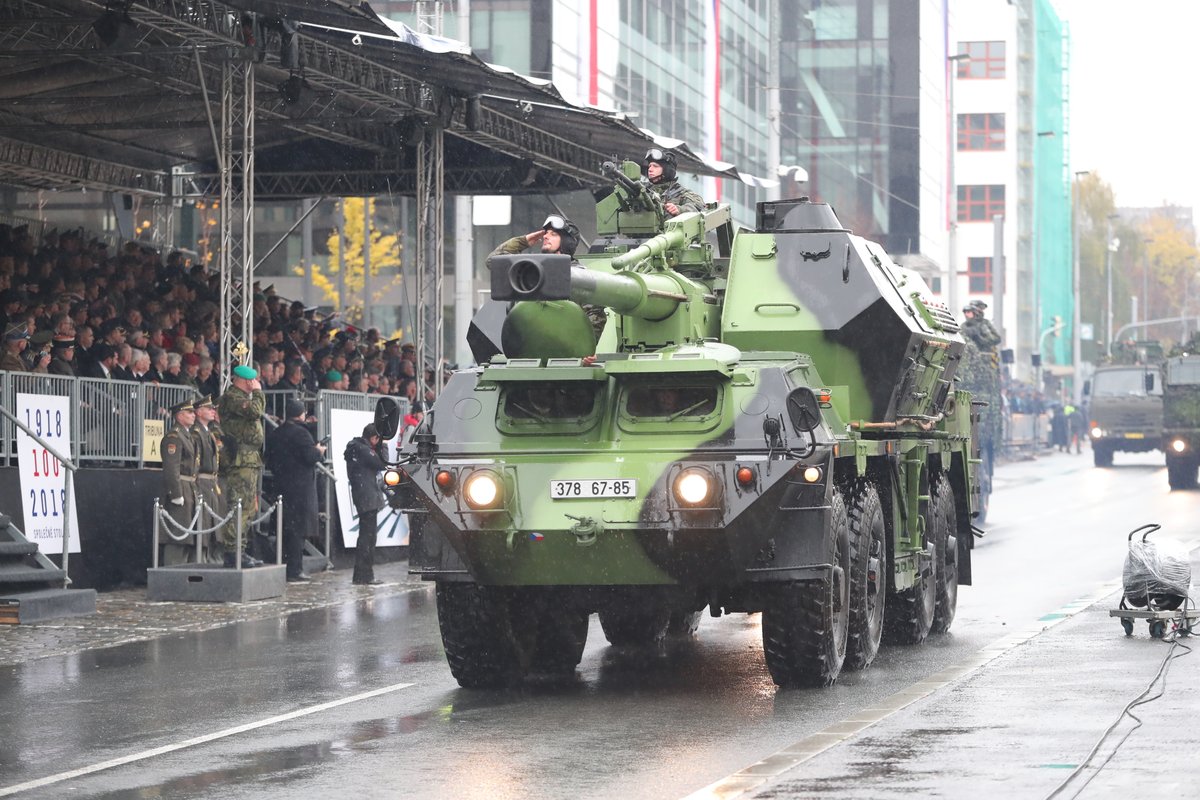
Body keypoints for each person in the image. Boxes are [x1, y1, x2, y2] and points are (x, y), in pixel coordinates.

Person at [488, 214, 607, 343]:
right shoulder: (531, 270)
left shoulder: (579, 276)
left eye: (553, 234)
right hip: (529, 345)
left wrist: (586, 348)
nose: (545, 236)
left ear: (567, 241)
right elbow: (493, 261)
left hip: (565, 346)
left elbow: (595, 315)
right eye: (546, 233)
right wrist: (523, 242)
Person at [265, 398, 325, 582]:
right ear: (301, 414)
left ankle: (283, 565)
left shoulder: (276, 433)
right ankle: (295, 569)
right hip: (300, 489)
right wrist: (319, 451)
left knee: (285, 529)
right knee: (298, 530)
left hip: (281, 485)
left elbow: (269, 458)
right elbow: (310, 456)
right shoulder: (301, 433)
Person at [217, 364, 266, 568]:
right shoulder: (232, 397)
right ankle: (232, 551)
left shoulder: (242, 398)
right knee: (239, 506)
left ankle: (241, 549)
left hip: (250, 459)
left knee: (247, 508)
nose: (253, 384)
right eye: (251, 381)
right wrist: (258, 393)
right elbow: (255, 412)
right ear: (245, 381)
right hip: (240, 459)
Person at [344, 423, 387, 586]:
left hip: (362, 495)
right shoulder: (363, 450)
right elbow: (382, 464)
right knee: (368, 538)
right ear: (374, 438)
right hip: (368, 497)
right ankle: (365, 575)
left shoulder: (355, 448)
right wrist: (384, 447)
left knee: (366, 537)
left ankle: (361, 574)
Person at [160, 398, 199, 566]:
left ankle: (184, 570)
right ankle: (172, 571)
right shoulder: (174, 437)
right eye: (189, 412)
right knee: (178, 534)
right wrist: (176, 493)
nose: (193, 415)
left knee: (187, 534)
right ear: (180, 415)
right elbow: (171, 467)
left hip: (189, 486)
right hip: (181, 486)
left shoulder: (186, 435)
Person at [190, 394, 224, 563]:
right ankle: (202, 557)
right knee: (204, 521)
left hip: (211, 480)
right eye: (208, 409)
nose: (212, 412)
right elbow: (196, 461)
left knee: (212, 521)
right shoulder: (196, 433)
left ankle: (211, 555)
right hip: (202, 480)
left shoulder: (208, 432)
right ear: (198, 412)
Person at [642, 148, 704, 217]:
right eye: (649, 166)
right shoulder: (642, 189)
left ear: (667, 170)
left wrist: (680, 209)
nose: (650, 169)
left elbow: (698, 205)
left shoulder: (680, 193)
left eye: (655, 166)